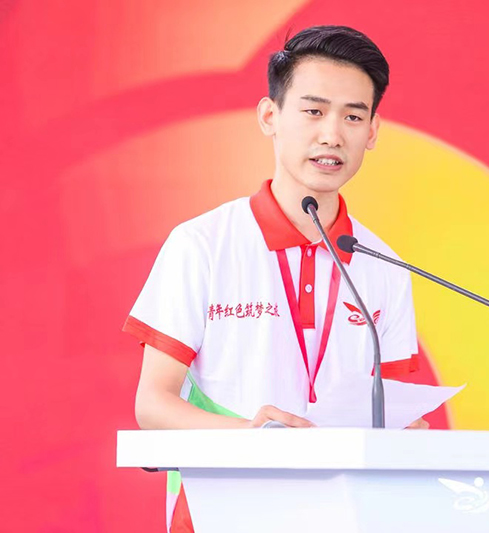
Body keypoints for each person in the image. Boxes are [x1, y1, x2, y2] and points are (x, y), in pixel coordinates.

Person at [123, 25, 427, 533]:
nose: (332, 135)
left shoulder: (384, 266)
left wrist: (405, 434)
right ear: (270, 116)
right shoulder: (203, 244)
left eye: (353, 116)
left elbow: (391, 413)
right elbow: (152, 406)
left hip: (345, 515)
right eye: (314, 111)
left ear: (373, 132)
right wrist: (252, 434)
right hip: (219, 512)